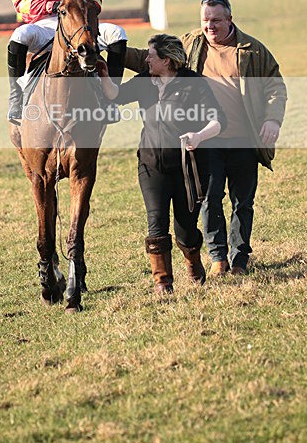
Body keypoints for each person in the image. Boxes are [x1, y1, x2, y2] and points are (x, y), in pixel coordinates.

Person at [125, 0, 287, 276]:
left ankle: (240, 259)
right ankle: (217, 258)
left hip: (244, 138)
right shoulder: (191, 43)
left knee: (243, 202)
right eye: (205, 20)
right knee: (209, 199)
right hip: (206, 138)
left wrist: (272, 119)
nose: (209, 26)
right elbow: (151, 58)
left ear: (230, 20)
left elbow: (275, 86)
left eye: (216, 20)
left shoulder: (252, 50)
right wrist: (111, 49)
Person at [97, 34, 226, 295]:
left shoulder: (194, 83)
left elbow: (218, 120)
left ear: (166, 60)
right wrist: (104, 76)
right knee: (156, 221)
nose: (146, 59)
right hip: (151, 165)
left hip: (187, 168)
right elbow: (116, 95)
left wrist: (198, 136)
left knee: (185, 229)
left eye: (151, 56)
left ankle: (193, 263)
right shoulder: (144, 81)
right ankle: (162, 282)